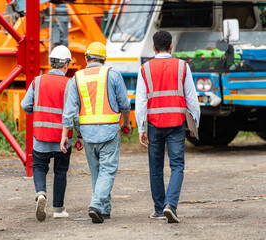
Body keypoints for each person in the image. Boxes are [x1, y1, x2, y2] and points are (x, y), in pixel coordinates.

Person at [60, 42, 131, 224]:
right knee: (107, 171)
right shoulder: (112, 74)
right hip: (109, 132)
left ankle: (104, 210)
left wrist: (68, 135)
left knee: (97, 173)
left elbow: (70, 110)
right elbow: (124, 104)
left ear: (86, 58)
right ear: (104, 59)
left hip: (88, 134)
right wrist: (126, 122)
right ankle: (96, 204)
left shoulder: (77, 77)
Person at [135, 30, 200, 223]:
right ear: (171, 46)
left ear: (153, 47)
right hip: (176, 124)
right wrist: (194, 124)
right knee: (177, 166)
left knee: (155, 168)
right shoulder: (182, 67)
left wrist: (141, 128)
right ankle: (170, 205)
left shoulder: (144, 69)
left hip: (154, 125)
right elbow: (191, 99)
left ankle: (158, 209)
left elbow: (141, 101)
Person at [21, 45, 83, 222]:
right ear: (65, 65)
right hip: (63, 139)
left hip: (40, 136)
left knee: (39, 167)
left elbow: (25, 105)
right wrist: (79, 135)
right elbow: (75, 114)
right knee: (60, 171)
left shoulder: (37, 81)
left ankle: (41, 195)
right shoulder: (70, 84)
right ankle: (58, 209)